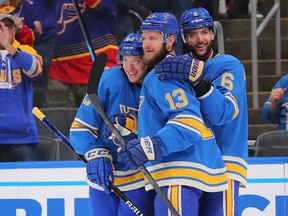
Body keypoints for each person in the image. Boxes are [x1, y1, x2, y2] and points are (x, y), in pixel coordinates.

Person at [117, 12, 228, 216]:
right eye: (144, 37)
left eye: (153, 38)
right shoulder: (178, 69)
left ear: (170, 40)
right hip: (208, 171)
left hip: (179, 174)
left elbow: (189, 121)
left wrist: (150, 146)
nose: (146, 44)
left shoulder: (161, 75)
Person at [153, 8, 248, 215]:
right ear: (185, 39)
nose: (200, 39)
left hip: (226, 161)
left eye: (204, 32)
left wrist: (198, 82)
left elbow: (223, 113)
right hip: (195, 161)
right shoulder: (178, 66)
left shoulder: (229, 65)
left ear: (213, 34)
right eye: (193, 34)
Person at [70, 33, 153, 215]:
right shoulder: (109, 80)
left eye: (137, 60)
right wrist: (95, 154)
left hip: (141, 179)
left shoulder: (156, 85)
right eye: (125, 59)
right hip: (104, 176)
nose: (130, 67)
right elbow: (80, 128)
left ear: (148, 60)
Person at [47, 0, 118, 108]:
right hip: (60, 72)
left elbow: (99, 5)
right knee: (57, 122)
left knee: (101, 122)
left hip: (97, 72)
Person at [0, 13, 43, 162]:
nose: (4, 31)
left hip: (23, 137)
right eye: (0, 26)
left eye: (8, 26)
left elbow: (35, 70)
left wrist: (9, 47)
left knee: (27, 185)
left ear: (14, 30)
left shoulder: (26, 50)